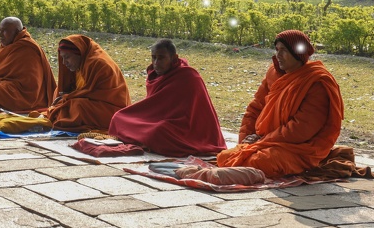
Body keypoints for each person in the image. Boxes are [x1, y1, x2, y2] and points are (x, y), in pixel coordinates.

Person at [217, 30, 344, 178]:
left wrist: (262, 141)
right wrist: (246, 140)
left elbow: (301, 129)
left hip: (299, 148)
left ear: (298, 53)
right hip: (266, 142)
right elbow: (255, 108)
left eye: (284, 50)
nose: (278, 55)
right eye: (277, 50)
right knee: (224, 157)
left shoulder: (316, 82)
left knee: (260, 162)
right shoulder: (274, 74)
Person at [108, 39, 226, 156]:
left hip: (187, 128)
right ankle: (145, 140)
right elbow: (153, 107)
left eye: (161, 58)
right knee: (119, 117)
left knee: (157, 132)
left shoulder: (189, 76)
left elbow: (193, 114)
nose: (156, 63)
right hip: (157, 119)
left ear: (174, 58)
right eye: (153, 57)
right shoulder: (154, 76)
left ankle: (145, 140)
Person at [46, 35, 131, 132]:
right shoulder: (81, 64)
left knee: (78, 107)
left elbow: (93, 94)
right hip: (94, 104)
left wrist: (68, 97)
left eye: (67, 57)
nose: (64, 63)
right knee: (62, 99)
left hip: (113, 110)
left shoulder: (97, 64)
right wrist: (68, 97)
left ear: (79, 53)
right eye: (62, 58)